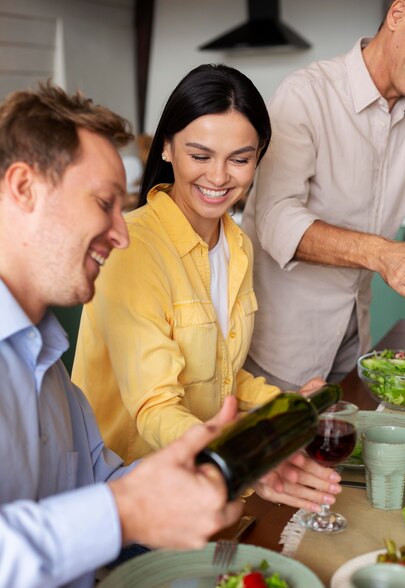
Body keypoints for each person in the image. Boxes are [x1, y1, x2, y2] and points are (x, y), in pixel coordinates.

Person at [0, 82, 340, 588]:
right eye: (104, 203)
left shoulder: (47, 360)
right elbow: (127, 473)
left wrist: (243, 459)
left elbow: (101, 478)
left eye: (240, 158)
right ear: (22, 188)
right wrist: (126, 511)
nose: (121, 232)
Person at [72, 63, 325, 464]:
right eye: (200, 155)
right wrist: (235, 454)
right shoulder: (131, 248)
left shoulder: (237, 244)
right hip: (131, 489)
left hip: (205, 480)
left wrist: (284, 407)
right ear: (167, 148)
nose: (219, 177)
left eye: (240, 160)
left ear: (259, 157)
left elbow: (216, 375)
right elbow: (154, 407)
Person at [242, 0, 405, 391]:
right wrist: (383, 254)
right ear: (397, 14)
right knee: (286, 452)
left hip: (355, 339)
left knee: (344, 449)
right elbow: (275, 220)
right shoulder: (307, 95)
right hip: (284, 349)